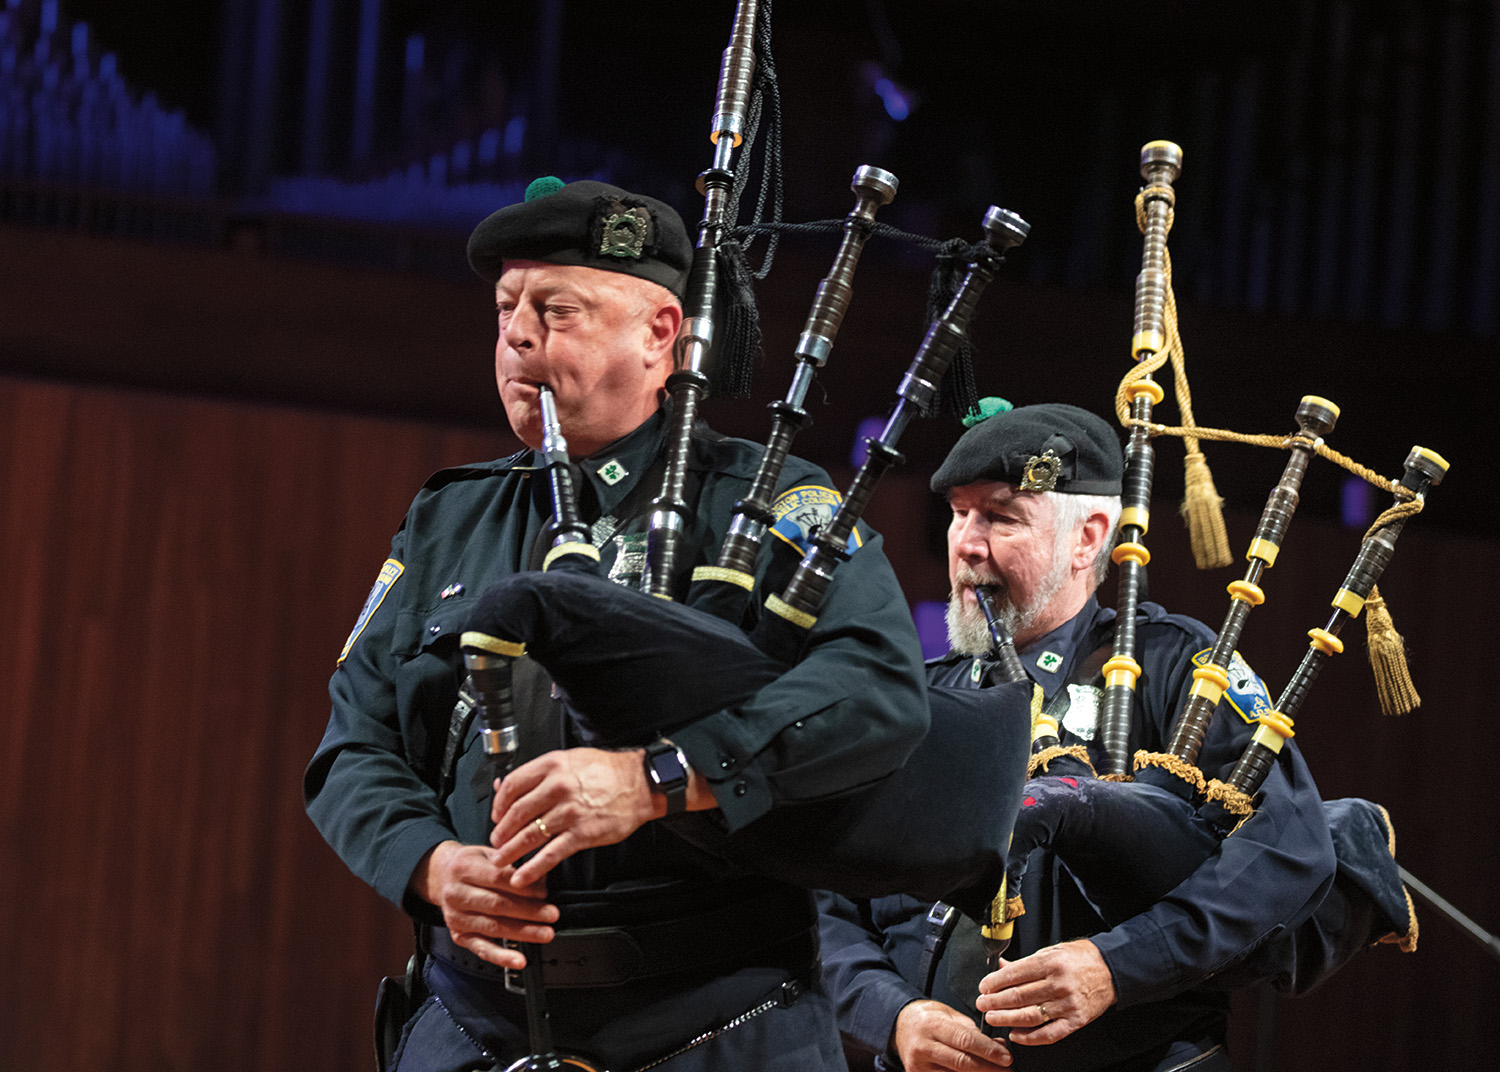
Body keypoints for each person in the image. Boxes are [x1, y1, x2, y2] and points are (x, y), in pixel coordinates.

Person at [304, 178, 929, 1072]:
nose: (518, 334)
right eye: (507, 309)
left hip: (720, 1023)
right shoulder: (448, 520)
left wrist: (657, 779)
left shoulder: (771, 504)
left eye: (556, 309)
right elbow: (352, 745)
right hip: (478, 1021)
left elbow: (880, 698)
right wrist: (431, 863)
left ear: (660, 334)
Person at [818, 401, 1336, 1072]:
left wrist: (1114, 967)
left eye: (1001, 517)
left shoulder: (1174, 666)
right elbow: (823, 897)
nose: (967, 544)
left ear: (1090, 537)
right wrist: (891, 1013)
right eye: (959, 513)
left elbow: (1287, 853)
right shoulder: (916, 701)